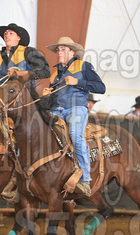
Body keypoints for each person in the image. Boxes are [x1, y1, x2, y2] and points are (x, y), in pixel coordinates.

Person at [42, 36, 106, 197]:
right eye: (58, 50)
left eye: (63, 49)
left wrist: (77, 82)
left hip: (76, 108)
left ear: (72, 52)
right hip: (57, 110)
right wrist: (46, 97)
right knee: (39, 133)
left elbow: (101, 87)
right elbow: (51, 101)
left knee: (76, 136)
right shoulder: (55, 75)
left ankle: (85, 179)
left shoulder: (83, 66)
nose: (59, 52)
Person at [0, 23, 50, 97]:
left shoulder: (29, 52)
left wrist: (22, 73)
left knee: (43, 107)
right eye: (5, 33)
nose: (7, 35)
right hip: (1, 99)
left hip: (27, 97)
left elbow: (45, 71)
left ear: (18, 38)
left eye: (11, 33)